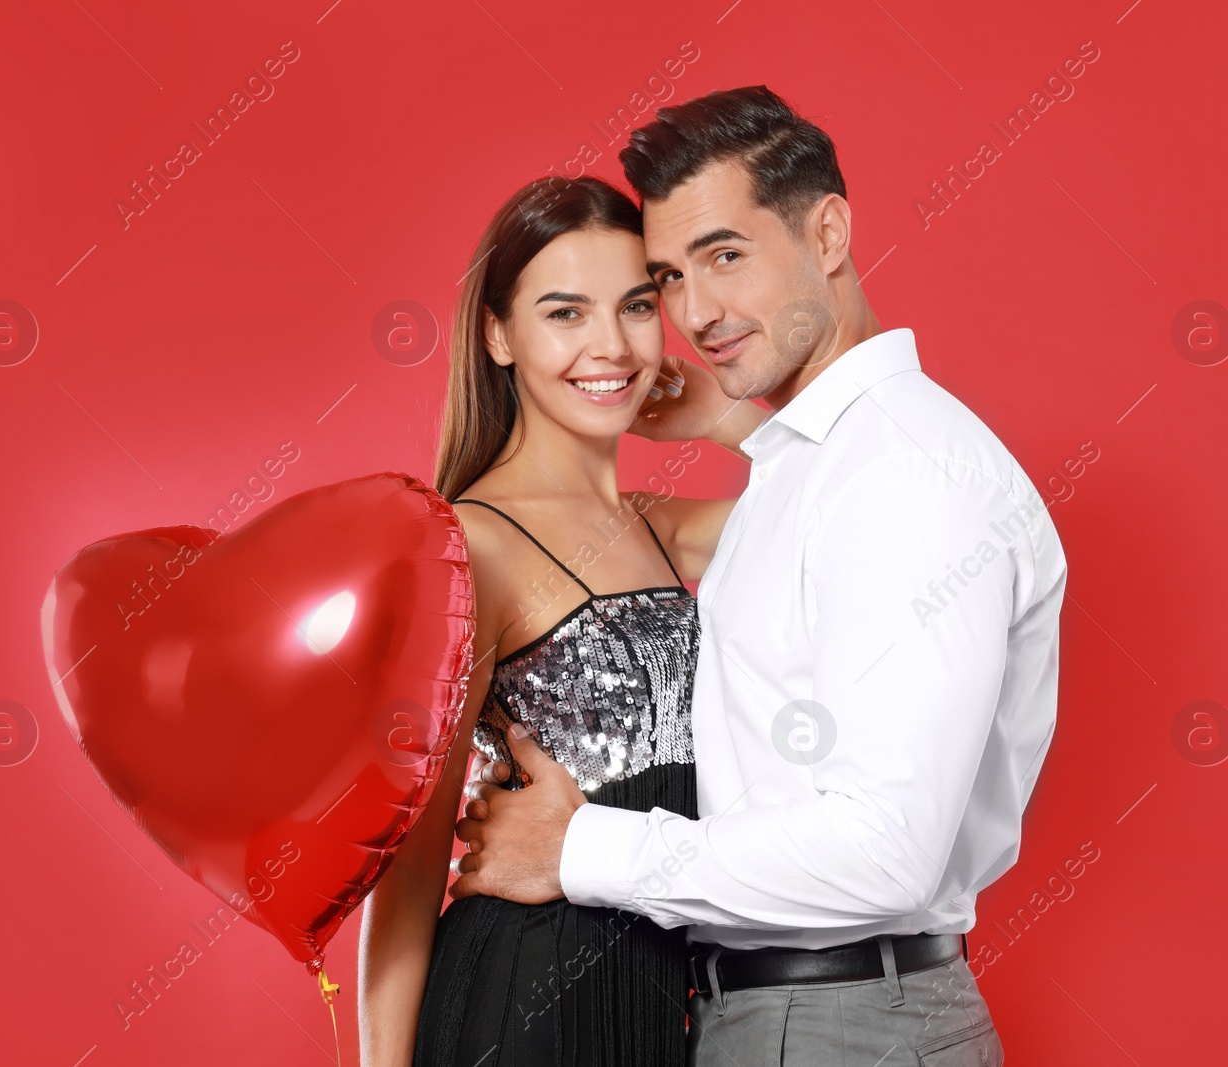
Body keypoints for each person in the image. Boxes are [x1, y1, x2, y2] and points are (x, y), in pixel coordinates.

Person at [451, 86, 1068, 1065]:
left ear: (826, 232)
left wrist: (579, 850)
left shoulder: (901, 473)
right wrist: (721, 413)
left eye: (725, 255)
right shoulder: (826, 465)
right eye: (669, 277)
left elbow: (884, 848)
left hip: (837, 1018)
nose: (696, 314)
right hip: (763, 1012)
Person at [356, 174, 768, 1067]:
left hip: (671, 1001)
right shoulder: (469, 545)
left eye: (635, 306)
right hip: (529, 1006)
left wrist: (724, 415)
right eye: (566, 313)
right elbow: (413, 858)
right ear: (500, 334)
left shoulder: (663, 527)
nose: (611, 346)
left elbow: (851, 503)